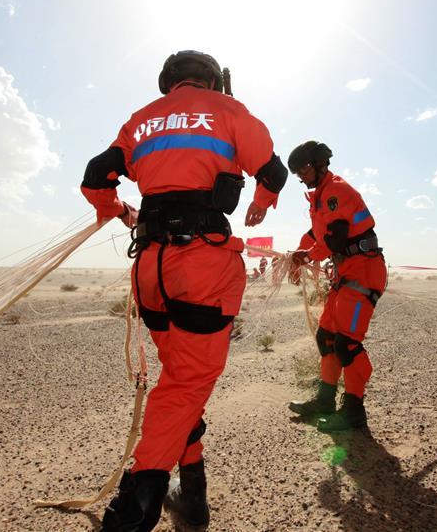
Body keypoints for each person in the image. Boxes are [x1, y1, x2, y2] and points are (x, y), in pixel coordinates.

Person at [80, 50, 287, 532]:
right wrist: (261, 203)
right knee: (187, 384)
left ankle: (192, 500)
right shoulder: (230, 111)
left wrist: (117, 209)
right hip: (202, 263)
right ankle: (137, 500)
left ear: (169, 83)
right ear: (213, 81)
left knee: (178, 378)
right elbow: (272, 172)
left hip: (150, 267)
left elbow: (95, 175)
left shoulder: (141, 120)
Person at [286, 141, 387, 432]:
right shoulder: (320, 197)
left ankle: (354, 410)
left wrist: (305, 257)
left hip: (364, 271)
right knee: (326, 337)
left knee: (347, 343)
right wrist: (297, 254)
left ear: (320, 164)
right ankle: (325, 401)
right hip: (346, 272)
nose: (301, 176)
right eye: (297, 172)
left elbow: (335, 241)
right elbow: (314, 233)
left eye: (303, 169)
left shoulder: (336, 192)